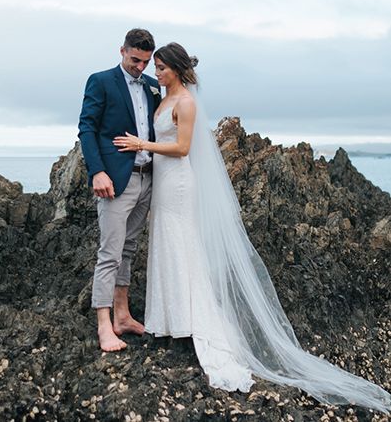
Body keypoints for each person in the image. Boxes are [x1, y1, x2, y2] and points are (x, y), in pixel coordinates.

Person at [113, 42, 391, 412]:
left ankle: (193, 321)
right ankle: (167, 319)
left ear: (177, 70)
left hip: (179, 181)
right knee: (165, 243)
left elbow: (181, 148)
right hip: (162, 183)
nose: (157, 73)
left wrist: (140, 144)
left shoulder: (186, 103)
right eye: (156, 67)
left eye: (162, 68)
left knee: (183, 245)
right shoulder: (162, 98)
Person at [78, 28, 161, 352]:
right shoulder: (100, 81)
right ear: (122, 51)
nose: (140, 67)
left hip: (148, 178)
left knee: (129, 249)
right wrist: (97, 171)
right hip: (115, 180)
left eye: (146, 62)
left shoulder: (153, 86)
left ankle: (123, 316)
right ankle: (103, 326)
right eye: (135, 59)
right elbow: (87, 127)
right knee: (109, 253)